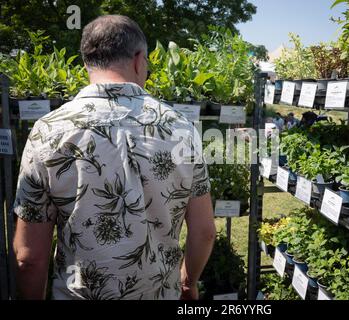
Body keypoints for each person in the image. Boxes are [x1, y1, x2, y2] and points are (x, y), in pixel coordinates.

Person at [12, 15, 216, 300]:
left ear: (86, 63)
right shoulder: (182, 128)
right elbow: (204, 231)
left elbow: (28, 258)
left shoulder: (48, 131)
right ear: (138, 59)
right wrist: (188, 282)